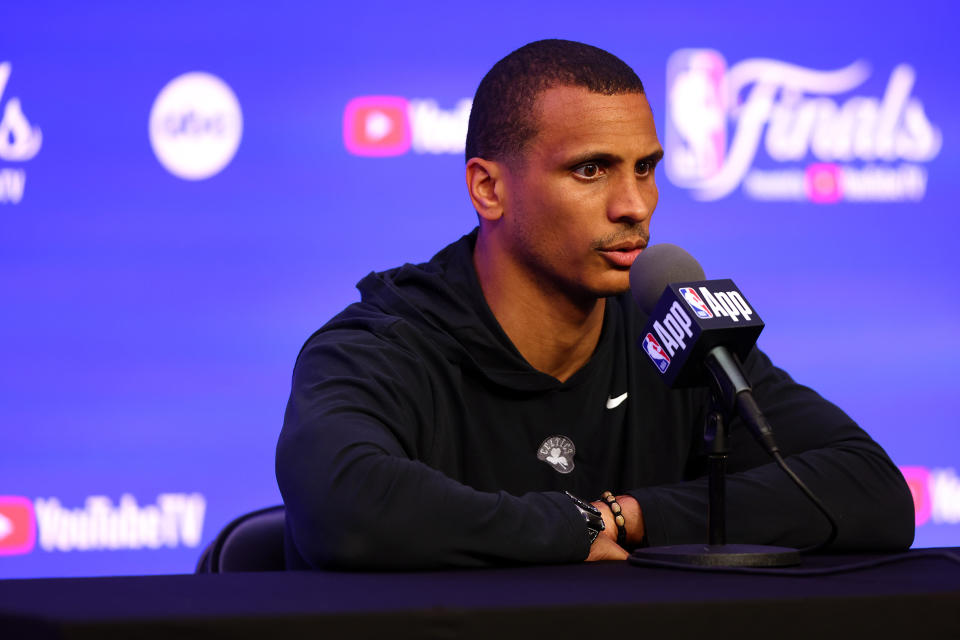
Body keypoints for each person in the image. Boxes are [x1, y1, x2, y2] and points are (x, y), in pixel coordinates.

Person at [276, 39, 914, 570]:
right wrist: (569, 529)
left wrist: (629, 518)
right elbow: (345, 507)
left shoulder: (671, 333)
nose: (635, 206)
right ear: (488, 188)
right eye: (591, 170)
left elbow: (874, 492)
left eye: (645, 168)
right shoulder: (381, 344)